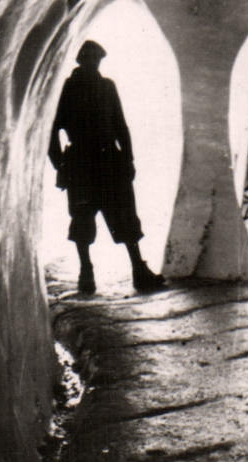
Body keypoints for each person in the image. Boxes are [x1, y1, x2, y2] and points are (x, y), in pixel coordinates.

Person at [48, 40, 165, 294]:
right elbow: (52, 129)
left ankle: (139, 270)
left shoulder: (107, 86)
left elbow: (121, 125)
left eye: (96, 59)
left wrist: (129, 159)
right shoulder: (68, 89)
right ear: (80, 61)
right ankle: (86, 272)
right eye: (88, 59)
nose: (92, 63)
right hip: (81, 163)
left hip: (110, 161)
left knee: (125, 217)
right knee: (82, 221)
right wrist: (61, 166)